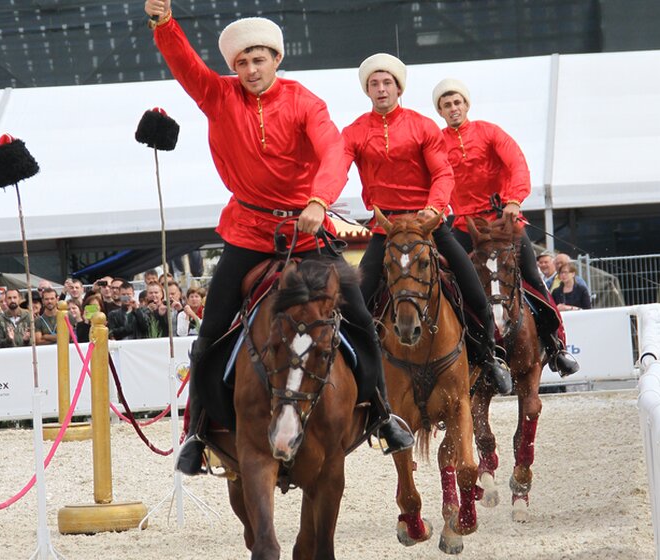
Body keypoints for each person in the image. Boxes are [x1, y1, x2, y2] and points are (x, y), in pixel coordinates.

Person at [144, 2, 414, 474]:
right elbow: (186, 64)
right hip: (248, 231)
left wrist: (318, 199)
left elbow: (332, 152)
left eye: (259, 60)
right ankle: (197, 432)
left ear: (276, 59)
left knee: (362, 326)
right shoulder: (217, 96)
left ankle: (385, 416)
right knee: (207, 338)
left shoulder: (306, 101)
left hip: (307, 231)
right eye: (242, 63)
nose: (251, 69)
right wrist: (164, 24)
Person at [343, 53, 512, 394]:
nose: (380, 89)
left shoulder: (422, 126)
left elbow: (442, 173)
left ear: (398, 87)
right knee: (355, 302)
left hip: (429, 225)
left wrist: (435, 207)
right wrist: (318, 199)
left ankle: (489, 357)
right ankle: (359, 380)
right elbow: (336, 167)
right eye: (374, 84)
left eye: (387, 82)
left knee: (474, 289)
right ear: (367, 90)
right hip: (385, 230)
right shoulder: (354, 131)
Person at [432, 77, 579, 377]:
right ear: (441, 111)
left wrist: (513, 199)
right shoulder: (436, 143)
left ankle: (557, 345)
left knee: (531, 276)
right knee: (451, 284)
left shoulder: (489, 132)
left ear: (466, 104)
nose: (453, 108)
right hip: (464, 225)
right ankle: (462, 351)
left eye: (457, 102)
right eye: (446, 105)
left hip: (503, 221)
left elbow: (517, 165)